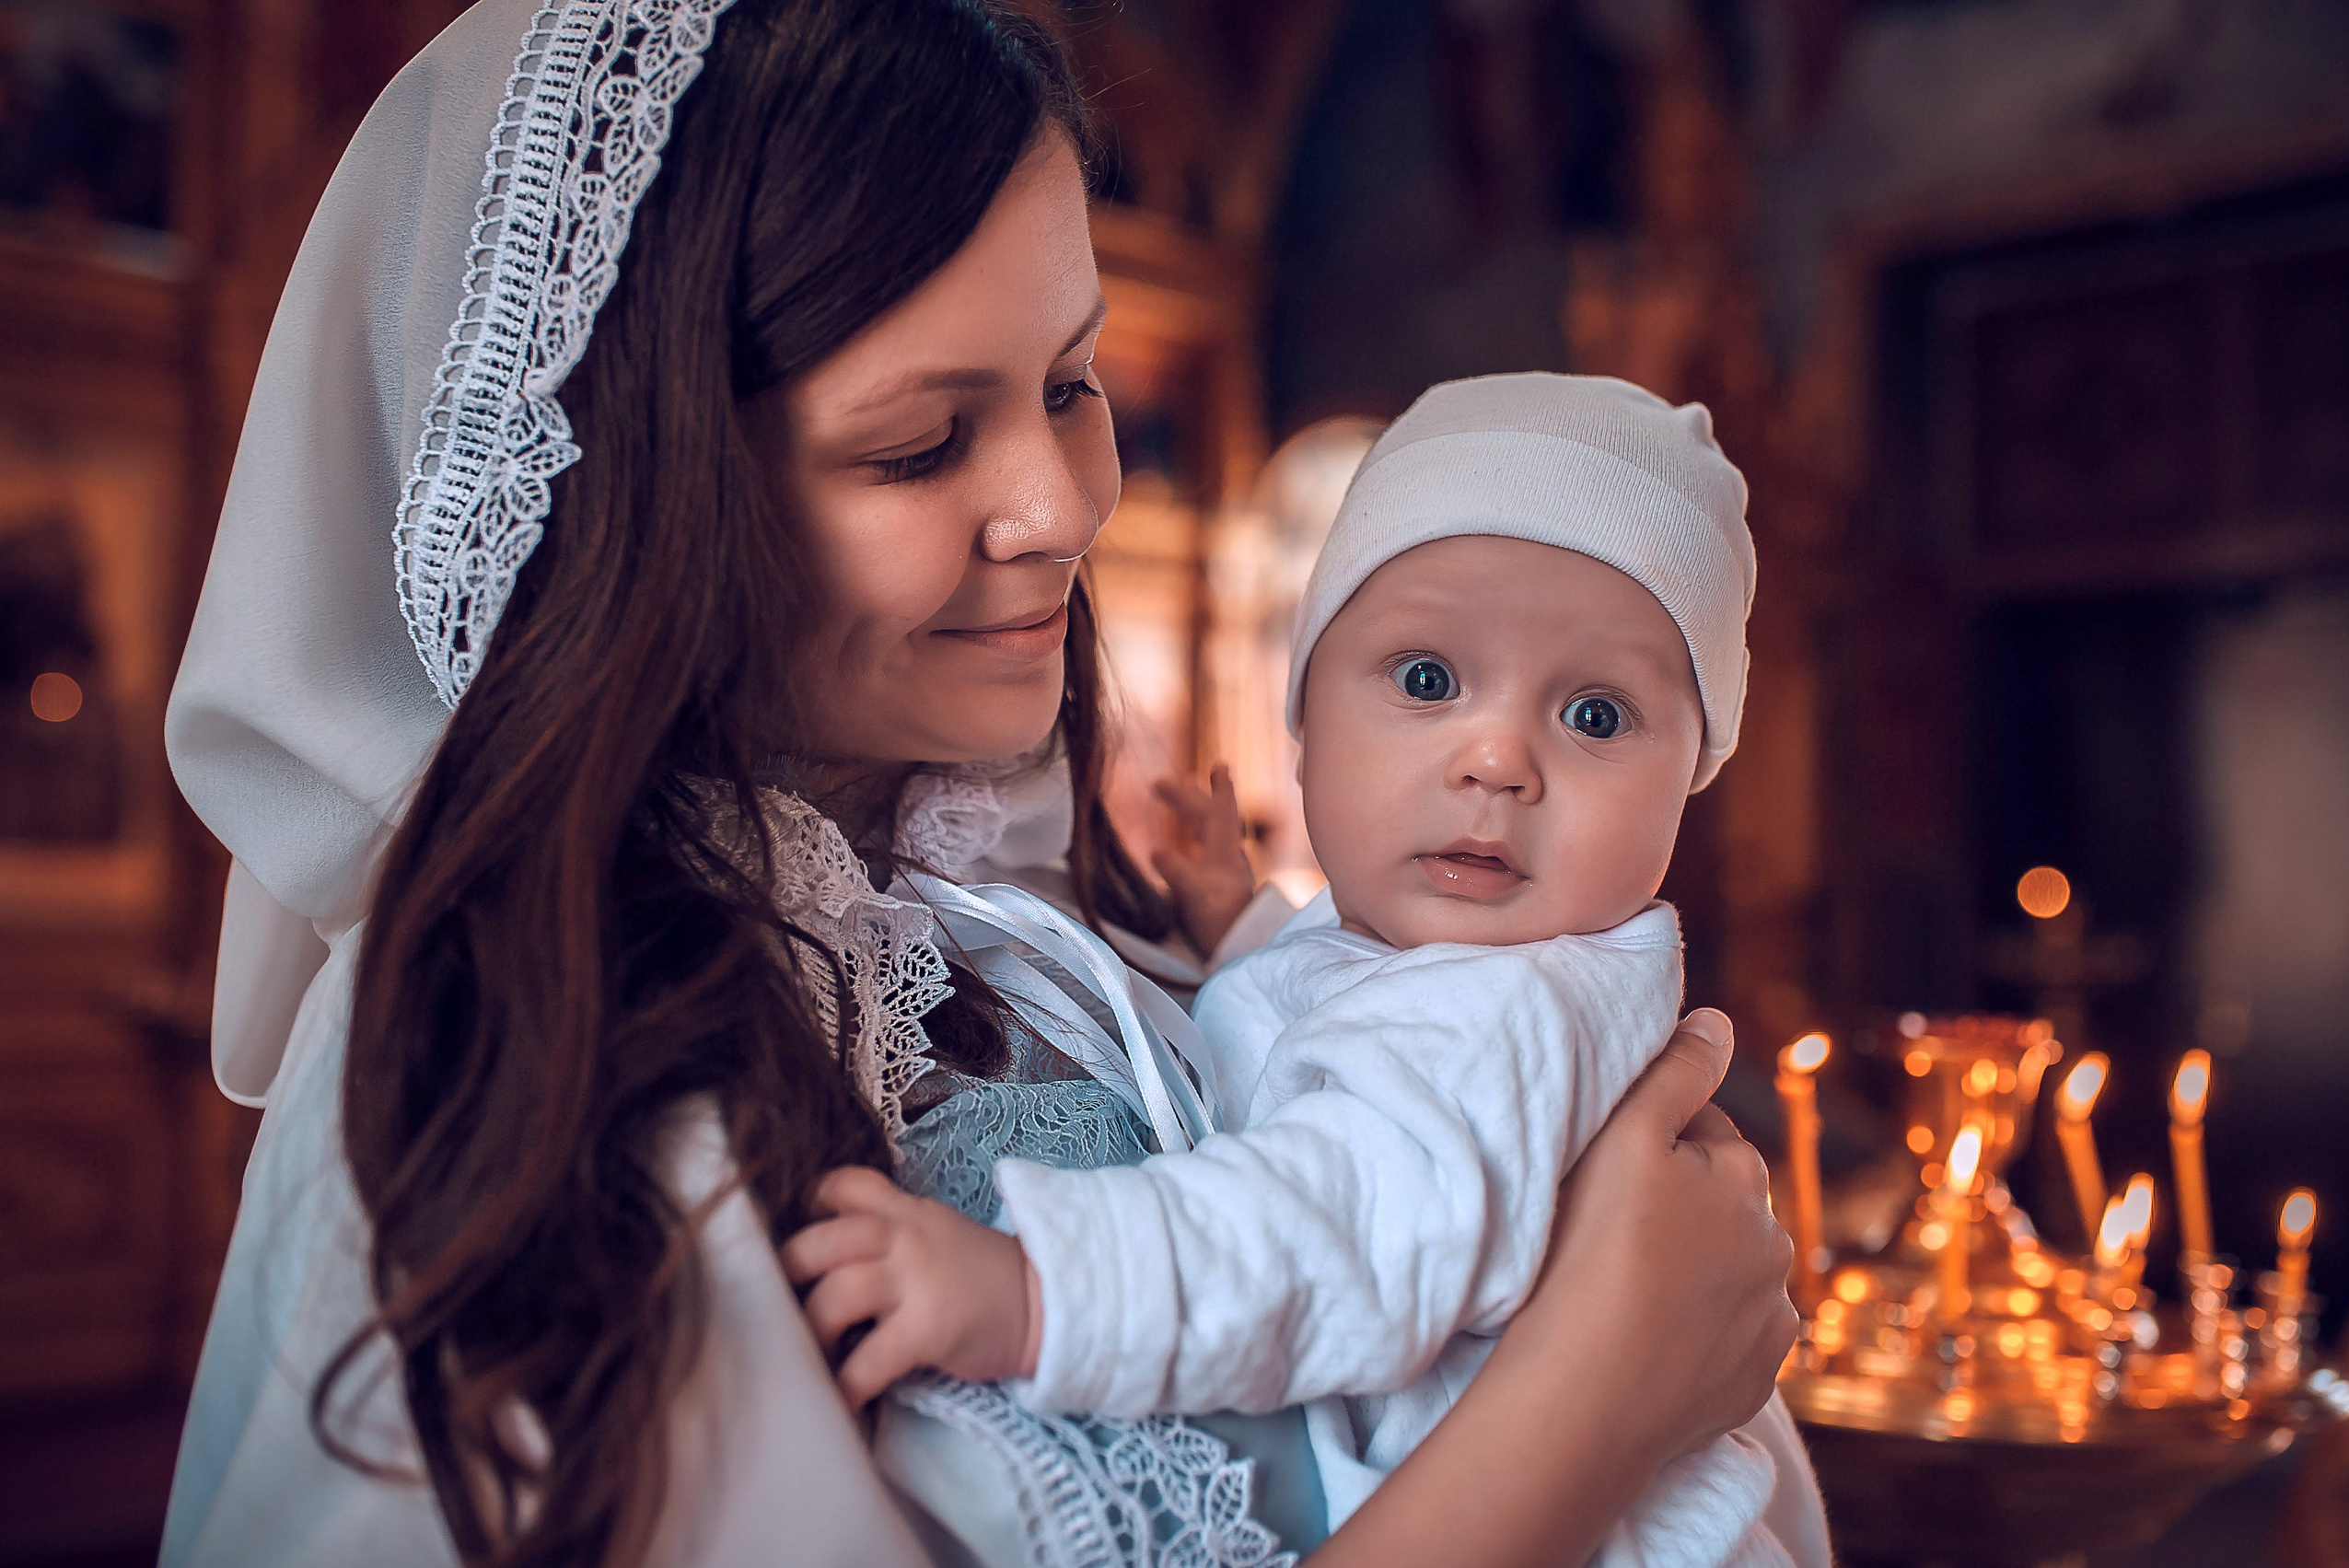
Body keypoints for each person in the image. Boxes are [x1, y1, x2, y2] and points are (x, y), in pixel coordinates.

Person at [158, 2, 1800, 1564]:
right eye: (919, 445)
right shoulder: (514, 1074)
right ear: (642, 495)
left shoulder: (1059, 953)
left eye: (1074, 385)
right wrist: (1589, 1409)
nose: (1064, 506)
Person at [785, 374, 1830, 1568]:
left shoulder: (1515, 1009)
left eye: (1596, 715)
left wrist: (1035, 1293)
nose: (1498, 758)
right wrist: (1246, 931)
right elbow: (1348, 1025)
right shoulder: (1470, 969)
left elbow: (1334, 1228)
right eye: (1429, 681)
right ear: (1303, 716)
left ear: (1694, 778)